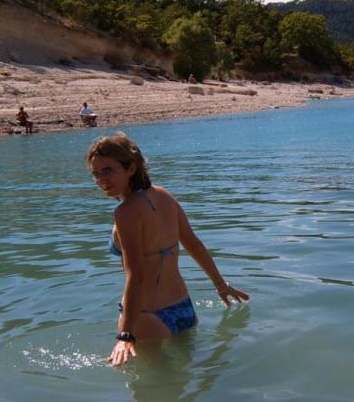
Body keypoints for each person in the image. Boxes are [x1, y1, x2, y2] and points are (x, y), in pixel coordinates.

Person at [86, 132, 250, 367]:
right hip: (183, 309)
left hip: (146, 317)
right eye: (96, 173)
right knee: (188, 381)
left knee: (151, 395)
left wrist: (125, 335)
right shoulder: (164, 196)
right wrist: (220, 285)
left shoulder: (127, 213)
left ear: (131, 168)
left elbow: (136, 275)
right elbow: (193, 244)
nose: (101, 180)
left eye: (108, 170)